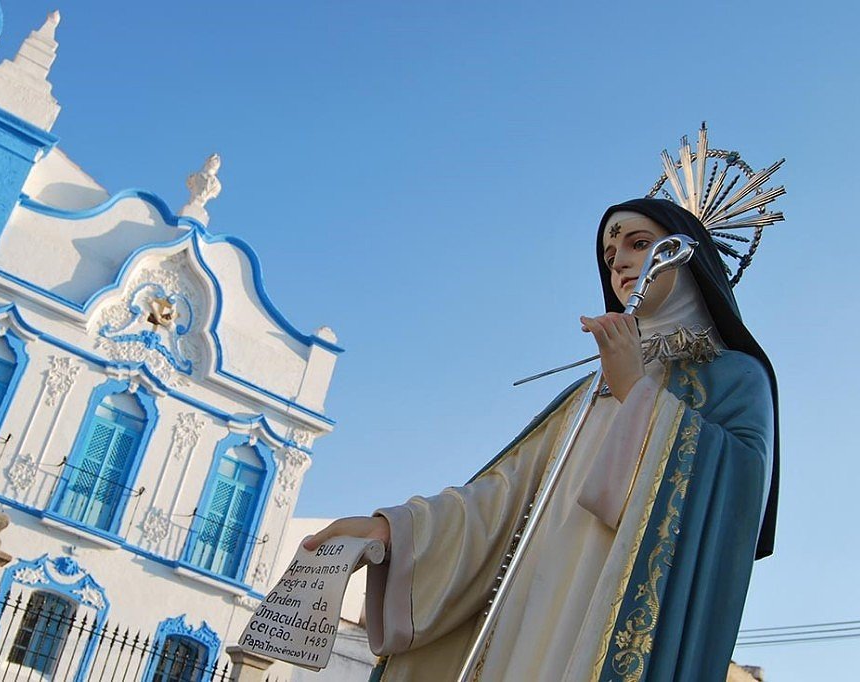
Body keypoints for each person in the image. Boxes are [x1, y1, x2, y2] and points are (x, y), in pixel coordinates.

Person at [304, 198, 779, 682]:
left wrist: (636, 390)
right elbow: (504, 499)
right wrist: (398, 530)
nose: (622, 264)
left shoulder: (733, 377)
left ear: (687, 256)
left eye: (639, 244)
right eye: (611, 259)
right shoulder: (585, 394)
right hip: (529, 611)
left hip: (608, 612)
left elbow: (734, 501)